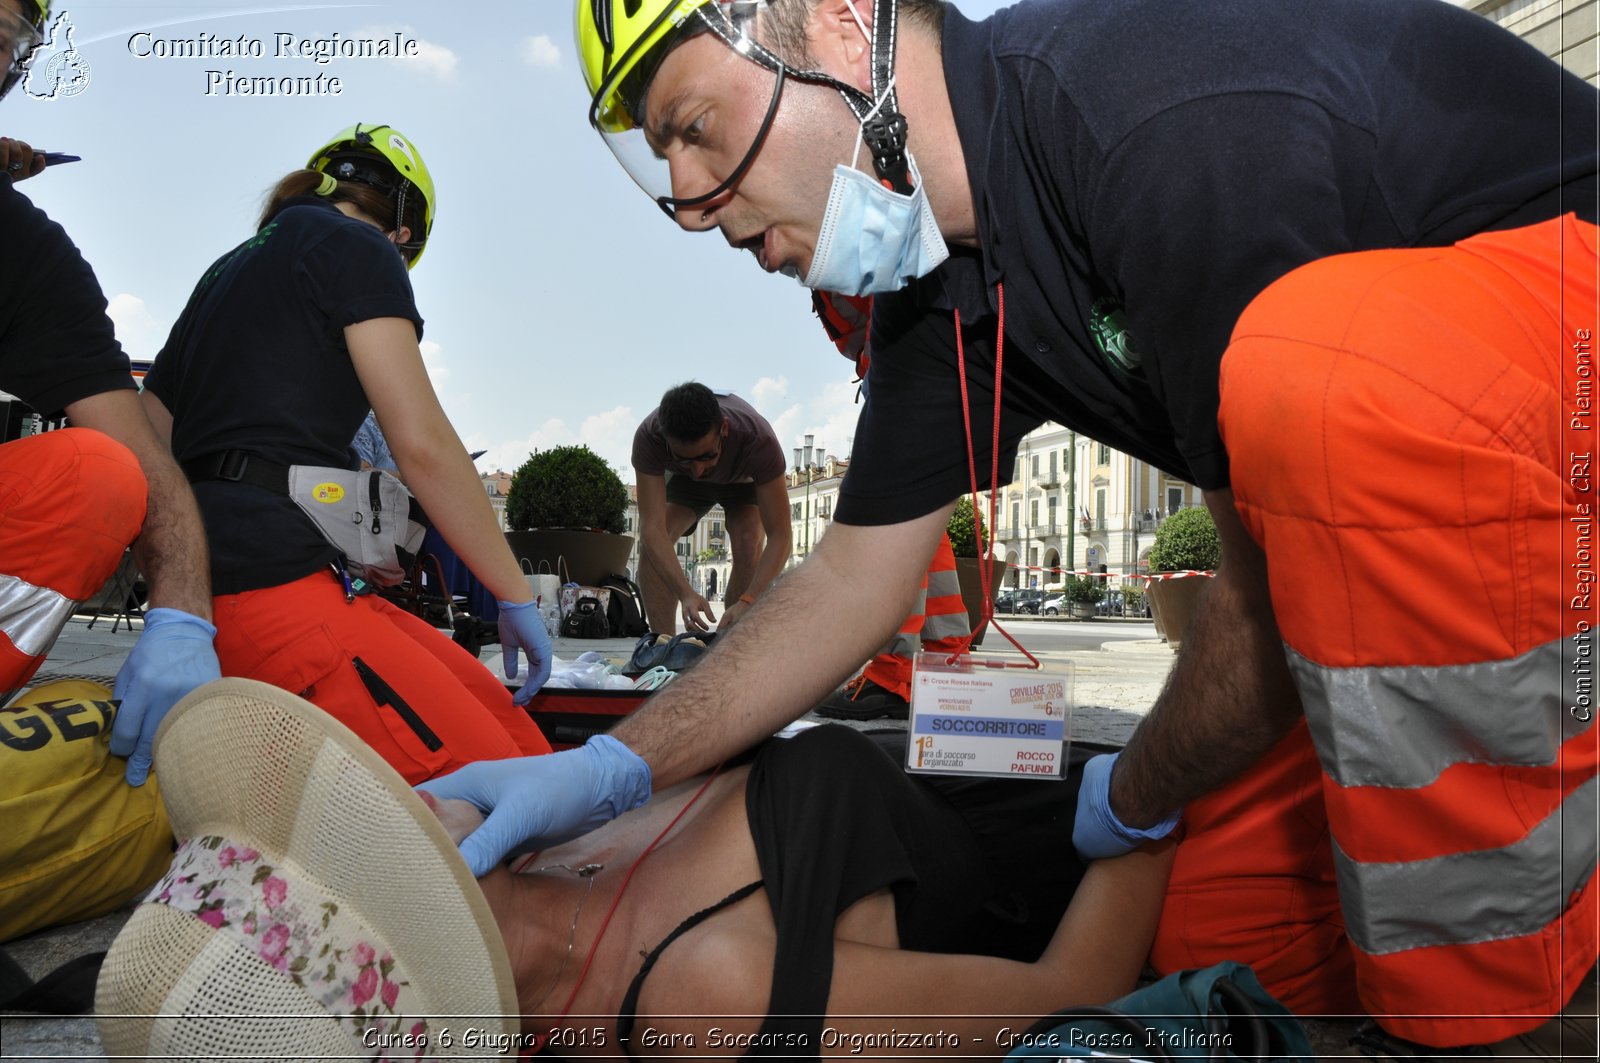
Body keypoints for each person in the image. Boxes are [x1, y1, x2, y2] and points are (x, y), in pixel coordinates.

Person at [422, 0, 1599, 1048]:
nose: (683, 202)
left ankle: (1508, 999)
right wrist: (612, 765)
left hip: (1549, 365)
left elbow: (1263, 596)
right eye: (657, 159)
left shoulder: (1152, 118)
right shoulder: (941, 288)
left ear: (837, 26)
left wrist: (1136, 786)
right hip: (1439, 523)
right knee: (1205, 926)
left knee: (1317, 385)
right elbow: (846, 585)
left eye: (693, 126)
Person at [100, 678, 1173, 1059]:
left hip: (997, 754)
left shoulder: (538, 846)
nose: (386, 794)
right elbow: (1072, 1000)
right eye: (345, 849)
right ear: (402, 934)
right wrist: (1162, 787)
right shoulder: (702, 997)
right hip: (1112, 842)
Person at [139, 122, 555, 785]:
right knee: (520, 786)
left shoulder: (226, 269)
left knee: (508, 729)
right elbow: (422, 445)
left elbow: (148, 440)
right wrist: (514, 594)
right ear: (401, 230)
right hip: (280, 594)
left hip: (209, 597)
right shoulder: (358, 247)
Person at [0, 0, 218, 787]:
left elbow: (139, 457)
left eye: (3, 36)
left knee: (96, 475)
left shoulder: (25, 252)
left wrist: (183, 614)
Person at [632, 382, 790, 633]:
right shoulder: (649, 436)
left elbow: (781, 536)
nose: (698, 469)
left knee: (748, 537)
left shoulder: (759, 440)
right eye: (685, 458)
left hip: (743, 483)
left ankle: (732, 642)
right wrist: (686, 593)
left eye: (706, 455)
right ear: (666, 438)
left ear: (724, 429)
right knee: (655, 543)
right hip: (684, 484)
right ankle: (661, 647)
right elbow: (652, 530)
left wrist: (748, 600)